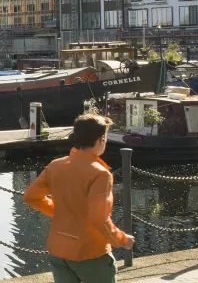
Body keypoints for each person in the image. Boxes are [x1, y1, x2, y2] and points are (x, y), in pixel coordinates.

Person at [23, 113, 134, 283]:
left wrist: (60, 211)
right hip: (90, 252)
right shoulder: (100, 174)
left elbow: (31, 197)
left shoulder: (56, 165)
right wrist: (122, 239)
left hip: (58, 249)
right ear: (101, 139)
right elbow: (99, 219)